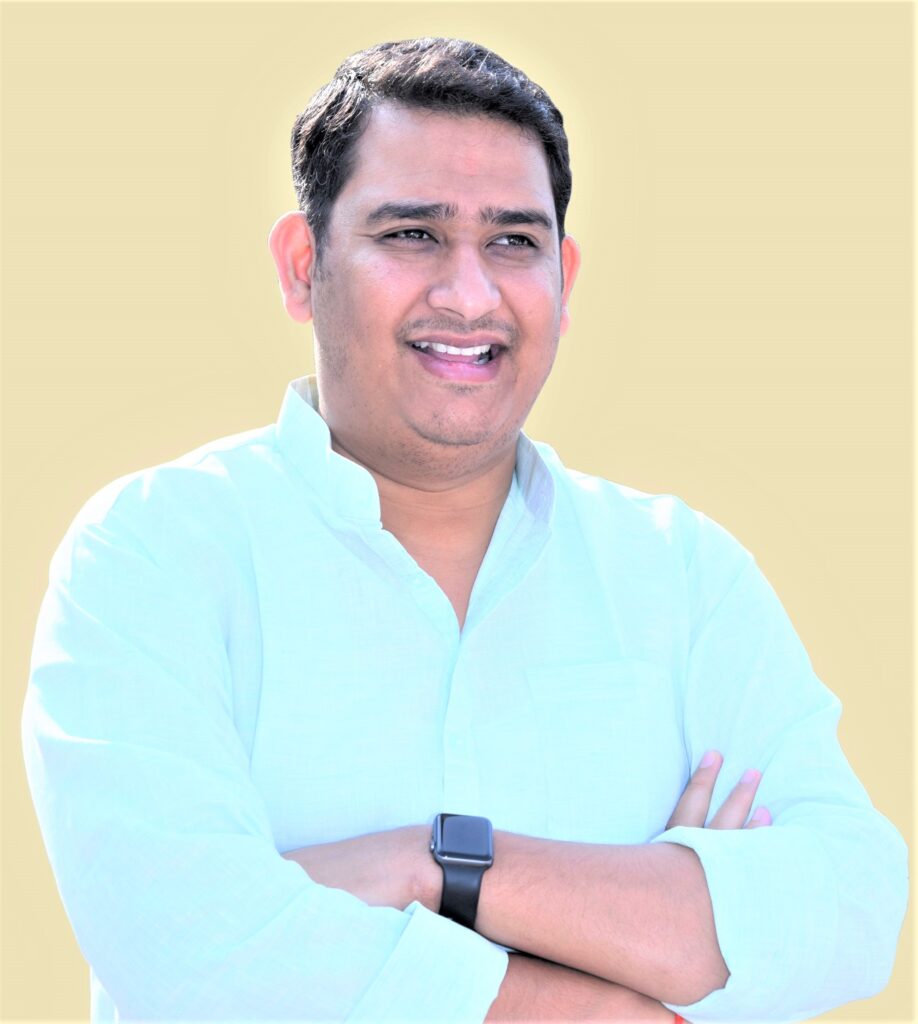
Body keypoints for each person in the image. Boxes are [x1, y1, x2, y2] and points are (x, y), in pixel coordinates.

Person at [22, 37, 906, 1023]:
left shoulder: (681, 573)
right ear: (303, 266)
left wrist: (438, 864)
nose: (470, 294)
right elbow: (193, 952)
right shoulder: (152, 554)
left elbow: (851, 908)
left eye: (514, 243)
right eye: (412, 234)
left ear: (565, 279)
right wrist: (617, 988)